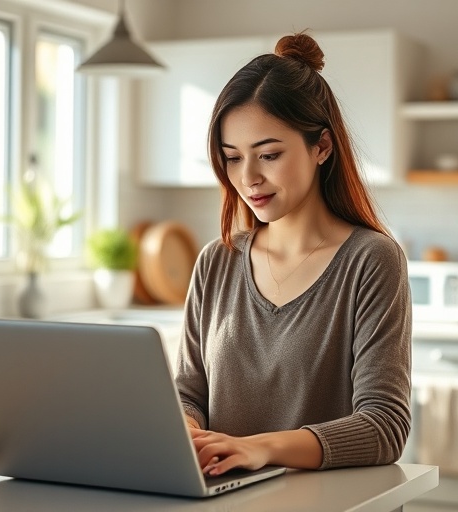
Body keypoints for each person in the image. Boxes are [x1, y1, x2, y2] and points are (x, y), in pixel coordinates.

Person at [174, 32, 412, 477]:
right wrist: (185, 429)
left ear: (321, 146)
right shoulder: (216, 262)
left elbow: (384, 426)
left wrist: (259, 449)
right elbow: (189, 393)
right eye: (232, 157)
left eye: (268, 155)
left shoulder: (371, 261)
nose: (248, 178)